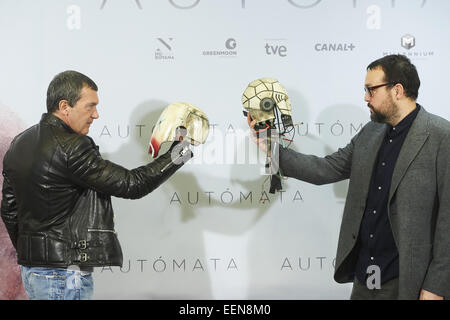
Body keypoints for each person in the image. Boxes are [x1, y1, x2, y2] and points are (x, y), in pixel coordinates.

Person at [248, 54, 450, 300]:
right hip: (364, 276)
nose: (366, 97)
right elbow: (327, 168)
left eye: (371, 90)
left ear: (397, 90)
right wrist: (272, 149)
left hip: (408, 280)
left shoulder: (441, 136)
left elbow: (447, 222)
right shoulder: (371, 132)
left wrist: (437, 286)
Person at [1, 70, 191, 300]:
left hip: (33, 272)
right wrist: (177, 154)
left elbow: (9, 209)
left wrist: (32, 253)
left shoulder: (19, 143)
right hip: (64, 275)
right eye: (89, 106)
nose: (96, 114)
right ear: (64, 106)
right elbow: (132, 185)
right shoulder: (73, 147)